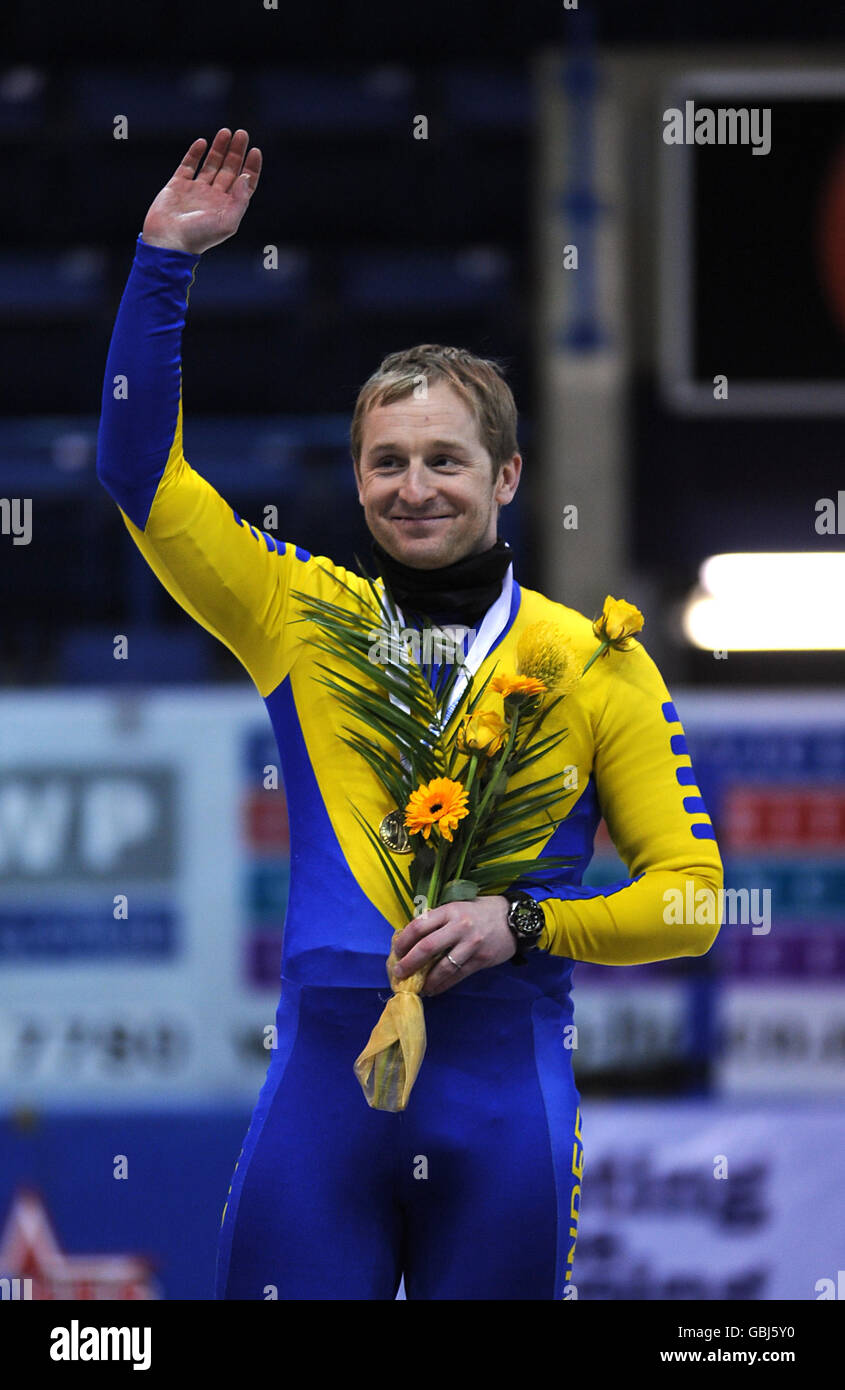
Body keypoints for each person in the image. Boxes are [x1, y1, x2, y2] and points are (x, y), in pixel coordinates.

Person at [96, 128, 724, 1300]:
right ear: (357, 476)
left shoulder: (594, 661)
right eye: (386, 462)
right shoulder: (297, 609)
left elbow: (687, 901)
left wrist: (524, 927)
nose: (413, 487)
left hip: (505, 1104)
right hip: (322, 1102)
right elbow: (139, 475)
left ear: (507, 477)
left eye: (445, 459)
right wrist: (162, 262)